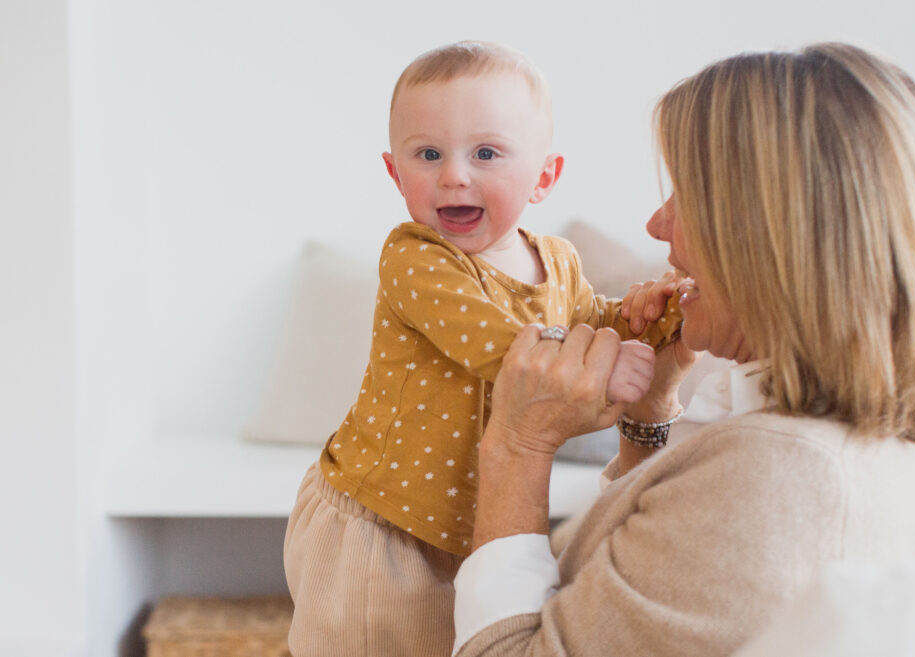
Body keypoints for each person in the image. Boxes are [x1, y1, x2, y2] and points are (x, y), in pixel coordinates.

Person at [451, 42, 915, 657]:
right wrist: (649, 413)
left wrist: (518, 444)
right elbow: (643, 581)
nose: (658, 224)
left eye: (687, 196)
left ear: (771, 231)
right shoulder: (871, 431)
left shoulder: (780, 483)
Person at [282, 41, 684, 657]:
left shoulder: (557, 261)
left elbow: (591, 319)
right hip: (380, 527)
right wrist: (605, 371)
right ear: (396, 174)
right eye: (429, 154)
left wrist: (646, 320)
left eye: (486, 153)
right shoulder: (415, 257)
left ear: (544, 176)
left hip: (474, 531)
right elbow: (500, 347)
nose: (454, 174)